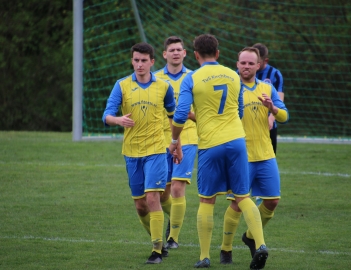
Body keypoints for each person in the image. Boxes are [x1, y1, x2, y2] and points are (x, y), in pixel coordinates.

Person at [168, 34, 268, 269]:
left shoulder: (191, 78)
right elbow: (240, 111)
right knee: (243, 196)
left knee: (207, 199)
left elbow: (181, 114)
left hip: (210, 145)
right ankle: (261, 244)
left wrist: (174, 139)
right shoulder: (233, 75)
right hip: (236, 141)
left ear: (194, 54)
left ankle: (204, 257)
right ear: (218, 53)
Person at [102, 42, 182, 264]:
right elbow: (107, 114)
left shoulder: (164, 87)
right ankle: (158, 239)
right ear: (132, 61)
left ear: (152, 62)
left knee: (152, 197)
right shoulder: (122, 85)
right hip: (132, 152)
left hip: (157, 150)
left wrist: (177, 144)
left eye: (143, 61)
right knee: (140, 205)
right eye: (136, 60)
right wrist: (118, 119)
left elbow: (174, 117)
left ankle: (157, 250)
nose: (139, 64)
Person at [222, 47, 289, 263]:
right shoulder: (231, 89)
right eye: (243, 63)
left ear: (259, 65)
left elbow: (285, 116)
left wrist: (273, 109)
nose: (246, 66)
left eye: (251, 63)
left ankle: (250, 237)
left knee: (272, 201)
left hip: (265, 153)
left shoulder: (266, 88)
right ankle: (226, 249)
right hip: (240, 156)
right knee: (237, 204)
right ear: (237, 64)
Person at [154, 36, 198, 249]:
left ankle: (173, 238)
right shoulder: (154, 78)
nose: (175, 53)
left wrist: (189, 115)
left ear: (185, 53)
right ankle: (175, 217)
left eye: (179, 49)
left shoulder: (194, 77)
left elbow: (202, 112)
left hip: (188, 137)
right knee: (163, 193)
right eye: (171, 50)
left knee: (178, 188)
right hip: (160, 139)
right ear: (164, 54)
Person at [252, 43, 284, 155]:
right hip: (248, 125)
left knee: (269, 158)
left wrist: (271, 119)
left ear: (265, 61)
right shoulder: (240, 74)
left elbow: (279, 100)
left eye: (257, 61)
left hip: (268, 125)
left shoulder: (275, 74)